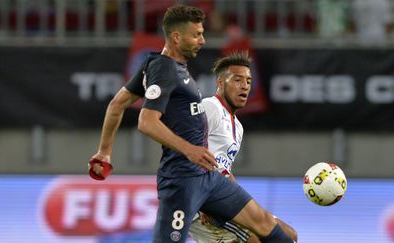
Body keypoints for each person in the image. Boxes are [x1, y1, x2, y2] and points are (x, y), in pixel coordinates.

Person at [90, 4, 296, 243]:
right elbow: (146, 121)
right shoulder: (164, 68)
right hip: (181, 182)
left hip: (209, 177)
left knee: (271, 228)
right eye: (197, 34)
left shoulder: (165, 66)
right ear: (177, 37)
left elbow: (117, 104)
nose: (202, 40)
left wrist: (104, 152)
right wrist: (190, 150)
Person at [188, 52, 297, 243]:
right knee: (260, 239)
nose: (245, 86)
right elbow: (187, 150)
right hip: (203, 204)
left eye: (248, 80)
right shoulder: (209, 107)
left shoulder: (238, 127)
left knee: (289, 234)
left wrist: (240, 199)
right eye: (238, 80)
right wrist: (203, 202)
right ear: (220, 83)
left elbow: (225, 170)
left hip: (222, 198)